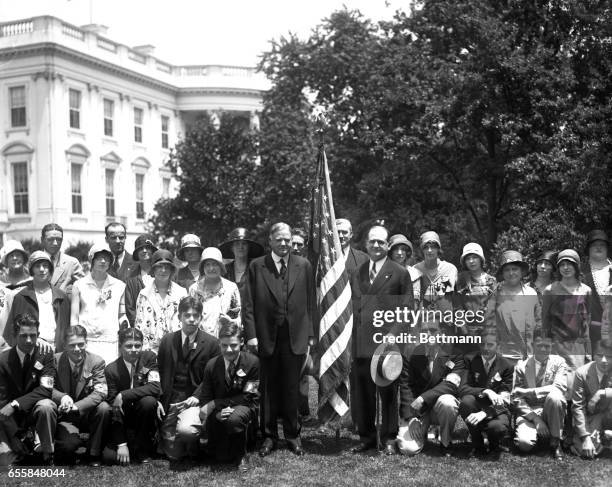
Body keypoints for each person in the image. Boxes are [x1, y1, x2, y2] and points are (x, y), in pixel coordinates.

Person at [243, 222, 314, 457]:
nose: (284, 244)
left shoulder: (303, 265)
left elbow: (311, 303)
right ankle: (269, 436)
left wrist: (311, 335)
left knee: (293, 387)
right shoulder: (257, 266)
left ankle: (293, 435)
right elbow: (249, 305)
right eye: (279, 239)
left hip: (295, 336)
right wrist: (252, 335)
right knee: (268, 388)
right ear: (270, 242)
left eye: (288, 239)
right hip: (266, 337)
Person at [350, 224, 413, 455]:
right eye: (372, 241)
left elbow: (407, 309)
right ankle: (366, 437)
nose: (376, 245)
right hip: (363, 342)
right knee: (364, 393)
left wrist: (392, 335)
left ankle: (388, 437)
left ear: (388, 245)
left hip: (388, 342)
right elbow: (355, 307)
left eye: (381, 242)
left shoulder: (399, 272)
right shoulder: (358, 271)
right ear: (366, 244)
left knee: (387, 393)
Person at [157, 296, 220, 462]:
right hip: (171, 398)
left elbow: (212, 377)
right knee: (174, 455)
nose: (191, 320)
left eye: (196, 315)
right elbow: (160, 372)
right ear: (179, 317)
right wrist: (159, 398)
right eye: (187, 315)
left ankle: (196, 441)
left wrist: (197, 396)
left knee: (186, 431)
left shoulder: (212, 344)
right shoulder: (167, 341)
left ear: (200, 317)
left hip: (194, 400)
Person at [196, 322, 259, 471]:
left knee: (234, 418)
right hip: (219, 411)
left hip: (245, 406)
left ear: (242, 343)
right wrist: (217, 413)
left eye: (233, 345)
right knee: (219, 457)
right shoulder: (211, 365)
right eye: (224, 345)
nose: (229, 350)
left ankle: (242, 456)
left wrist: (218, 404)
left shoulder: (253, 363)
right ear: (219, 344)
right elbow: (205, 398)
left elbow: (249, 396)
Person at [399, 319, 465, 456]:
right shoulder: (411, 353)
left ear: (442, 332)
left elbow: (451, 385)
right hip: (418, 410)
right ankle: (421, 433)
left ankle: (445, 441)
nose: (428, 334)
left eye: (433, 330)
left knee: (448, 402)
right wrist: (411, 417)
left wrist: (424, 397)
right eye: (424, 331)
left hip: (438, 407)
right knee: (408, 449)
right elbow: (406, 385)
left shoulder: (455, 353)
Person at [0, 314, 56, 466]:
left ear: (38, 335)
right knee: (5, 461)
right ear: (14, 336)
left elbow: (46, 390)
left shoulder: (46, 355)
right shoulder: (3, 360)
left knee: (47, 405)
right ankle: (19, 446)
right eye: (23, 336)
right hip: (10, 417)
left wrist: (15, 404)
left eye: (33, 335)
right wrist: (14, 436)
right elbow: (2, 402)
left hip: (34, 410)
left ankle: (47, 452)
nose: (29, 340)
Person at [51, 325, 110, 466]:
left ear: (86, 343)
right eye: (72, 345)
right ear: (64, 345)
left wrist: (77, 407)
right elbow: (47, 388)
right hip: (65, 416)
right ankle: (66, 443)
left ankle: (94, 453)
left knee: (104, 408)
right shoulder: (54, 361)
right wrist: (62, 397)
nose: (77, 349)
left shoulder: (97, 361)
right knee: (68, 447)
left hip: (88, 414)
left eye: (81, 344)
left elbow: (101, 392)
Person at [103, 327, 160, 465]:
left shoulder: (149, 358)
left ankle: (142, 446)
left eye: (137, 345)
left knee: (149, 401)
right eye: (129, 346)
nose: (134, 349)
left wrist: (123, 394)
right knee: (109, 457)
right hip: (122, 417)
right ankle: (125, 441)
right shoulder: (111, 370)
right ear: (120, 347)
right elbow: (113, 407)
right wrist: (121, 444)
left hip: (143, 413)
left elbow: (155, 387)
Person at [512, 329, 567, 459]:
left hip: (551, 410)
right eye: (539, 345)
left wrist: (529, 392)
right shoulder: (521, 366)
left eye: (547, 346)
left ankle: (555, 441)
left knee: (555, 396)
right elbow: (516, 398)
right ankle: (541, 435)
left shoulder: (559, 362)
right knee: (524, 444)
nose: (543, 349)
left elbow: (559, 387)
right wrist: (536, 419)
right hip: (529, 412)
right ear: (532, 345)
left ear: (552, 346)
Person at [458, 331, 513, 456]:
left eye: (490, 345)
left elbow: (505, 399)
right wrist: (486, 391)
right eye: (483, 344)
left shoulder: (507, 365)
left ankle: (495, 445)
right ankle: (478, 445)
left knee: (497, 427)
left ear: (498, 346)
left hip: (497, 409)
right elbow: (463, 389)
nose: (485, 348)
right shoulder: (469, 359)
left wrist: (486, 412)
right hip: (476, 404)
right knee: (466, 402)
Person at [71, 243, 128, 364]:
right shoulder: (79, 285)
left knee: (109, 377)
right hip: (86, 341)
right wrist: (75, 339)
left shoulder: (119, 286)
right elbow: (74, 317)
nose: (103, 261)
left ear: (111, 261)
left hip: (110, 341)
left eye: (106, 258)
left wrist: (124, 326)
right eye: (99, 258)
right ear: (92, 259)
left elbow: (122, 314)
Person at [4, 251, 71, 352]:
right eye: (37, 266)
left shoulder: (62, 296)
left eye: (45, 266)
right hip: (30, 351)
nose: (42, 269)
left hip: (57, 351)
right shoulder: (21, 297)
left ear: (50, 269)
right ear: (31, 270)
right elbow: (12, 331)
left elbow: (67, 327)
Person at [485, 250, 541, 364]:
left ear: (521, 271)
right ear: (502, 273)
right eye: (507, 269)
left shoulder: (531, 293)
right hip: (502, 356)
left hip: (527, 357)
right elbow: (488, 323)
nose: (511, 273)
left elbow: (539, 325)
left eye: (514, 269)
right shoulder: (496, 294)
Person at [542, 249, 592, 373]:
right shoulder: (550, 290)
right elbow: (544, 322)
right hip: (556, 347)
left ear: (576, 266)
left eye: (569, 264)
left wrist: (588, 351)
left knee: (576, 384)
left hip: (577, 348)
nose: (566, 267)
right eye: (562, 264)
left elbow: (586, 324)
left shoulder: (586, 291)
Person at [135, 249, 187, 353]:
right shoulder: (144, 294)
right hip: (150, 352)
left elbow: (186, 322)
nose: (163, 270)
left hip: (176, 350)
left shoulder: (182, 293)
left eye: (167, 267)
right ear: (153, 269)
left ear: (172, 270)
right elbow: (138, 325)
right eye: (159, 266)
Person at [571, 338, 612, 458]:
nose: (604, 361)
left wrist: (601, 393)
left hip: (609, 414)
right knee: (587, 451)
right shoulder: (582, 373)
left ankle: (607, 435)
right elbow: (578, 407)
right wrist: (586, 437)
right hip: (592, 417)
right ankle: (605, 438)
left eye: (609, 356)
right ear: (594, 356)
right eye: (600, 355)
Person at [453, 243, 497, 353]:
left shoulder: (491, 281)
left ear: (481, 259)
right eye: (468, 258)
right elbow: (457, 306)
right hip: (466, 333)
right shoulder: (460, 280)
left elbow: (494, 308)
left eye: (474, 257)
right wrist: (464, 329)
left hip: (487, 333)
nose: (471, 261)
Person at [188, 247, 241, 338]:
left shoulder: (231, 288)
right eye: (207, 264)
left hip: (225, 342)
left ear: (221, 266)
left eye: (215, 264)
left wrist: (230, 322)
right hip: (200, 342)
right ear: (203, 267)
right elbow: (189, 317)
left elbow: (239, 316)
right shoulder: (194, 289)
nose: (211, 268)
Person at [414, 231, 458, 337]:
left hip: (445, 323)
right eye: (426, 247)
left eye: (433, 246)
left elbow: (442, 292)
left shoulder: (449, 268)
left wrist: (425, 292)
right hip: (423, 324)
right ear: (422, 249)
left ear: (438, 248)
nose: (429, 250)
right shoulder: (416, 269)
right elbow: (414, 298)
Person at [580, 230, 612, 352]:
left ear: (607, 249)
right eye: (594, 245)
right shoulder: (579, 272)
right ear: (588, 249)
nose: (598, 247)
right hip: (588, 336)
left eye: (602, 245)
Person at [219, 227, 264, 302]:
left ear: (249, 247)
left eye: (244, 244)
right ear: (232, 248)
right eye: (237, 244)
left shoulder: (258, 269)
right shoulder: (224, 271)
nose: (240, 247)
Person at [41, 223, 85, 296]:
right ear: (42, 240)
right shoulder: (33, 262)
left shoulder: (72, 263)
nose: (55, 243)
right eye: (50, 239)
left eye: (58, 239)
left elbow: (84, 288)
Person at [124, 234, 158, 326]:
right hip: (141, 327)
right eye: (140, 249)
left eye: (147, 248)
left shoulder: (163, 273)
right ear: (136, 253)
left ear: (153, 251)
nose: (144, 251)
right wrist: (138, 327)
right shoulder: (131, 279)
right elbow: (130, 308)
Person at [388, 234, 421, 304]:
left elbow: (415, 301)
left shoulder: (414, 274)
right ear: (390, 252)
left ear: (407, 252)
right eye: (396, 249)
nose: (399, 253)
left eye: (403, 249)